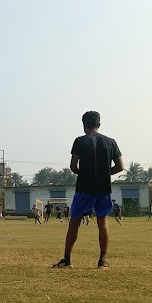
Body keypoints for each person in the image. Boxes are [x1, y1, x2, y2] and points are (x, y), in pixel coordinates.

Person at [53, 111, 124, 269]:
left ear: (84, 125)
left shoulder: (79, 141)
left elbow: (73, 166)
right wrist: (104, 174)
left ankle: (67, 260)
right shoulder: (111, 142)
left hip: (84, 187)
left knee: (75, 223)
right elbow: (120, 166)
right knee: (102, 223)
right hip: (103, 188)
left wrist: (85, 174)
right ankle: (102, 261)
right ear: (99, 124)